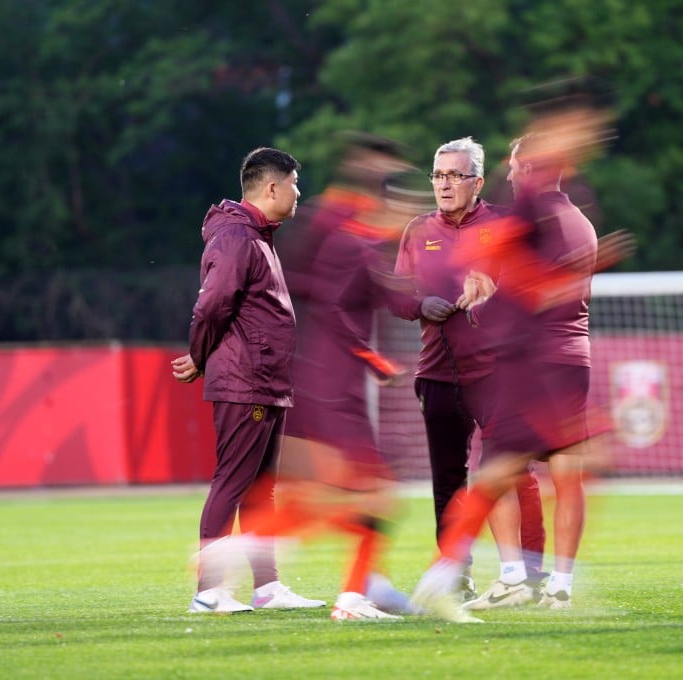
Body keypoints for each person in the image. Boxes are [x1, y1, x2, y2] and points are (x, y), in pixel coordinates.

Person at [411, 125, 631, 621]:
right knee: (566, 473)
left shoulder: (527, 224)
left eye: (512, 167)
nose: (509, 177)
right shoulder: (580, 222)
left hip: (531, 362)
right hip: (575, 358)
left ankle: (495, 574)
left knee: (489, 465)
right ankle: (560, 584)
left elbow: (529, 296)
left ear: (530, 169)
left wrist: (485, 297)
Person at [215, 133, 425, 621]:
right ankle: (350, 591)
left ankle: (365, 584)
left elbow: (384, 292)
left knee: (346, 494)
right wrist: (374, 360)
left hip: (326, 380)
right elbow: (329, 300)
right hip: (327, 384)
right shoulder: (341, 228)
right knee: (370, 493)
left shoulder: (356, 233)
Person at [390, 137, 547, 601]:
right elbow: (396, 295)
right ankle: (455, 571)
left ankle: (530, 572)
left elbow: (535, 287)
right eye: (438, 175)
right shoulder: (418, 230)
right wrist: (421, 303)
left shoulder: (504, 224)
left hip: (500, 372)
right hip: (437, 371)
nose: (444, 184)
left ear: (477, 182)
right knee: (447, 479)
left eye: (454, 175)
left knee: (513, 472)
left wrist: (495, 293)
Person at [171, 147, 325, 614]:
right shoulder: (238, 235)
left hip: (267, 380)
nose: (300, 193)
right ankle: (210, 590)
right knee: (232, 482)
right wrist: (200, 356)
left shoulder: (258, 235)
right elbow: (213, 304)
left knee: (262, 489)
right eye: (296, 183)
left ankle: (268, 587)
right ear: (272, 187)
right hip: (246, 380)